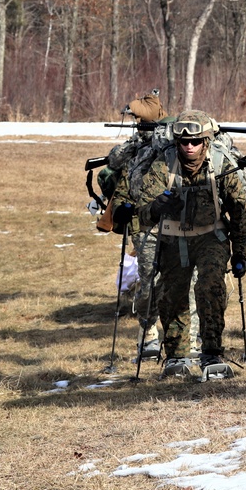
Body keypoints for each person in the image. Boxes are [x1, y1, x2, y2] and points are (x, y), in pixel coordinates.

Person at [136, 110, 246, 378]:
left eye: (196, 141)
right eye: (184, 142)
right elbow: (141, 210)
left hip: (212, 236)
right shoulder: (163, 165)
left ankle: (211, 351)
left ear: (206, 142)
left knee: (210, 286)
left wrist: (240, 253)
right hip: (174, 239)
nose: (189, 147)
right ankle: (176, 356)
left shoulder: (220, 165)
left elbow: (239, 210)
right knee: (172, 295)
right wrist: (156, 207)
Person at [106, 90, 168, 360]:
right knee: (149, 281)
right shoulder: (135, 148)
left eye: (141, 120)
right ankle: (148, 332)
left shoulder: (173, 143)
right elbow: (116, 166)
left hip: (177, 222)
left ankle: (189, 335)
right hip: (145, 227)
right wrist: (121, 206)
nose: (137, 124)